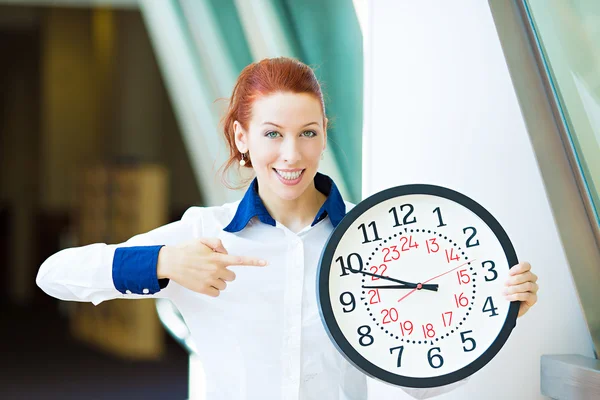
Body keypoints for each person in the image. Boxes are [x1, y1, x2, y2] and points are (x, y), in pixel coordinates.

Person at [36, 57, 539, 400]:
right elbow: (55, 274)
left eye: (308, 133)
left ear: (323, 136)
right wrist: (167, 262)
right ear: (242, 136)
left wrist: (494, 315)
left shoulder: (379, 237)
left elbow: (420, 383)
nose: (291, 154)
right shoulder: (204, 235)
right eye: (272, 134)